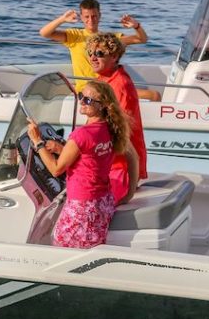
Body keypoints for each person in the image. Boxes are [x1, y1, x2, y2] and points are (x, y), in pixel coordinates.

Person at [26, 80, 134, 248]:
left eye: (88, 100)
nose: (82, 101)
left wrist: (37, 141)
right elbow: (92, 158)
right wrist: (129, 194)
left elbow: (56, 169)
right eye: (81, 96)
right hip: (102, 203)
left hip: (82, 208)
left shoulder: (82, 134)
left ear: (102, 105)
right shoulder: (111, 129)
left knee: (62, 247)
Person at [85, 33, 148, 201]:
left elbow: (117, 129)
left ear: (114, 57)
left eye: (99, 53)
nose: (92, 58)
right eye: (90, 53)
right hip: (107, 162)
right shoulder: (104, 79)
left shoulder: (120, 85)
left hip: (120, 167)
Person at [39, 0, 148, 89]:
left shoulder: (109, 38)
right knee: (152, 95)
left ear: (99, 15)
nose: (91, 20)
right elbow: (44, 33)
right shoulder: (75, 36)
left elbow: (141, 39)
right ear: (81, 17)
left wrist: (136, 26)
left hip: (108, 87)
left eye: (94, 16)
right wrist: (62, 19)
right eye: (87, 17)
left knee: (153, 95)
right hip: (86, 89)